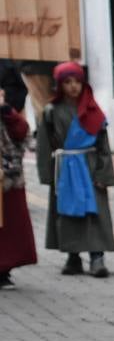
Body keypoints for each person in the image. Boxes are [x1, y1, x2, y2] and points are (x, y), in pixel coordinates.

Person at [37, 63, 114, 278]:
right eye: (67, 82)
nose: (73, 87)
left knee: (94, 212)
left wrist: (104, 174)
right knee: (67, 213)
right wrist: (46, 173)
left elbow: (103, 146)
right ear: (60, 85)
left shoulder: (93, 111)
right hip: (64, 170)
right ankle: (73, 257)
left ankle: (97, 257)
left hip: (89, 168)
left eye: (77, 82)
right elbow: (45, 144)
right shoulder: (51, 111)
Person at [1, 88, 38, 290]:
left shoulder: (8, 113)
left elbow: (22, 132)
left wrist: (6, 110)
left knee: (9, 226)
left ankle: (3, 270)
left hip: (8, 177)